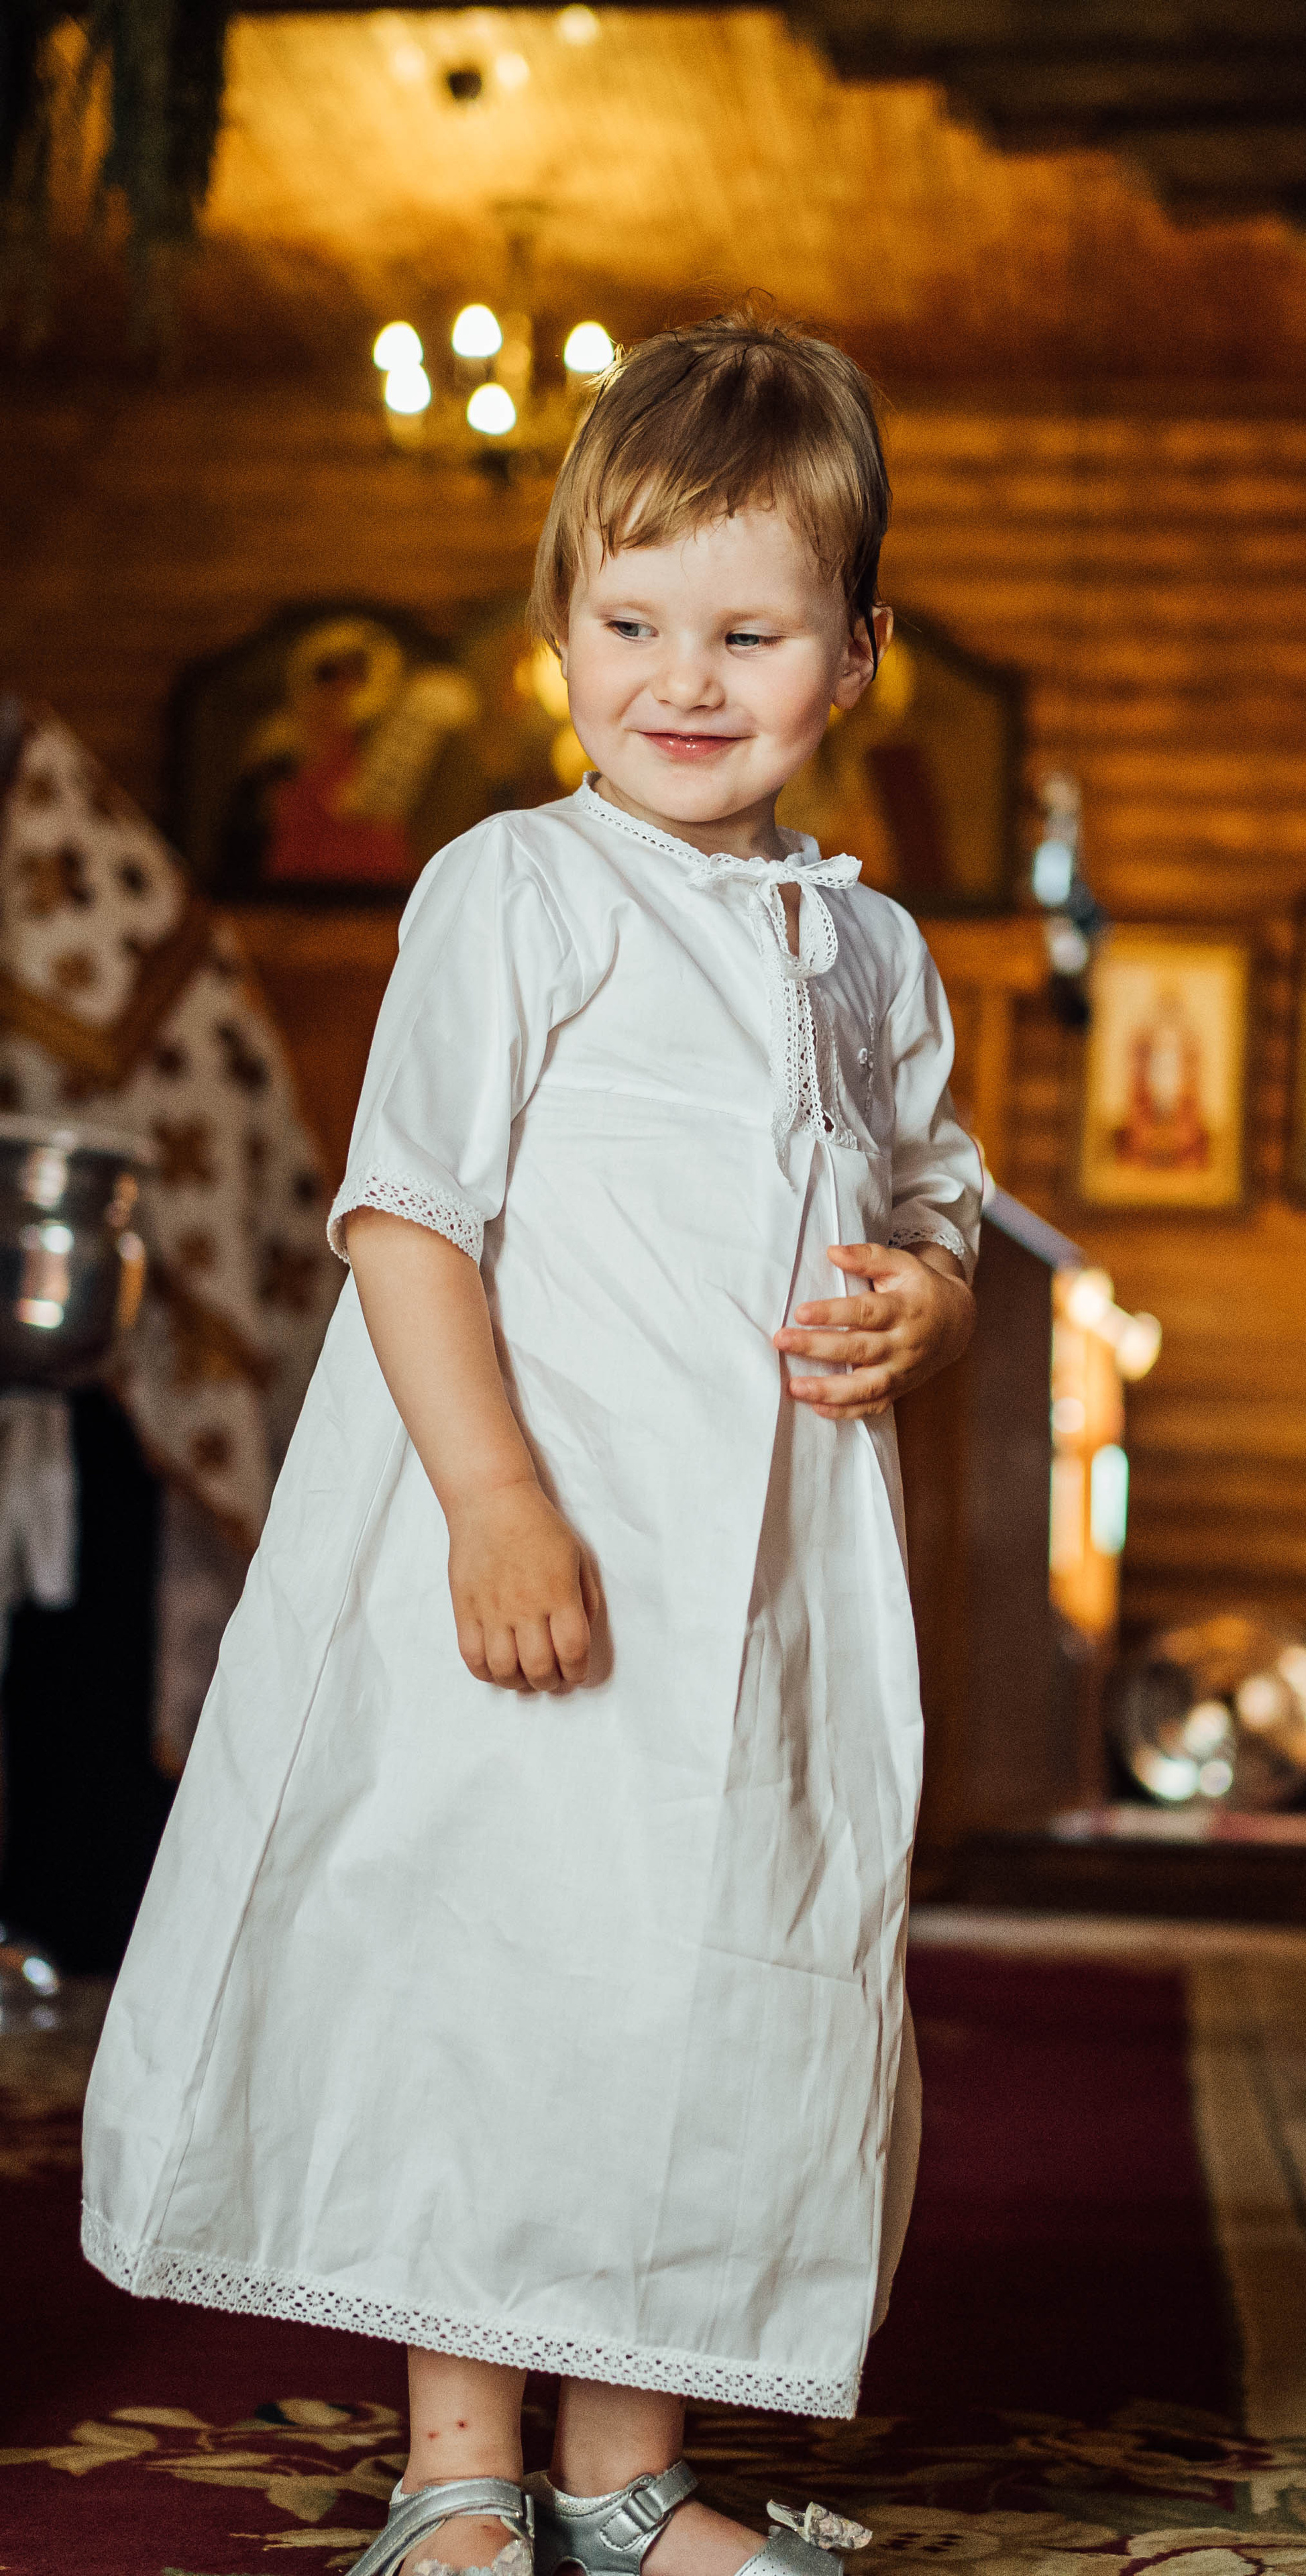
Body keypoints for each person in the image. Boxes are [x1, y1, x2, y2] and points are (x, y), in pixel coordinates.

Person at [80, 315, 983, 2576]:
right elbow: (405, 1213)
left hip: (749, 1581)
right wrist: (492, 1498)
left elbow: (938, 1182)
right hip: (528, 1540)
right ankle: (460, 2476)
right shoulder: (515, 890)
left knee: (685, 1984)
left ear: (856, 654)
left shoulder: (867, 950)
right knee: (492, 1967)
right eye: (632, 621)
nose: (684, 677)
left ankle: (631, 2474)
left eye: (750, 630)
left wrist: (934, 1294)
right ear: (559, 629)